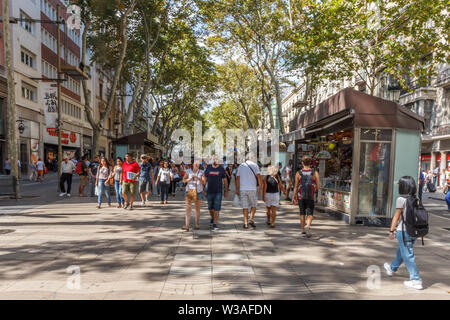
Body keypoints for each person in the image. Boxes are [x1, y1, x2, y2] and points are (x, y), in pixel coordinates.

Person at [384, 176, 423, 290]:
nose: (398, 186)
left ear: (403, 186)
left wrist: (391, 230)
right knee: (402, 252)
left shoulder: (401, 199)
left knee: (408, 256)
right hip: (414, 231)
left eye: (399, 184)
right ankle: (392, 269)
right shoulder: (416, 198)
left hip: (404, 231)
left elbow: (396, 217)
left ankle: (416, 280)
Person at [293, 155, 320, 238]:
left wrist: (294, 196)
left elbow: (296, 186)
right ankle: (307, 225)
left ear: (302, 163)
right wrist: (313, 190)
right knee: (310, 213)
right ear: (310, 163)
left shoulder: (298, 173)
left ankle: (303, 232)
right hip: (310, 196)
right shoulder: (314, 172)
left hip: (301, 196)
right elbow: (318, 185)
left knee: (302, 213)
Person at [236, 155, 262, 229]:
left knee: (245, 206)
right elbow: (259, 177)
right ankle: (251, 219)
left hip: (243, 189)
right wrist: (260, 187)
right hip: (252, 189)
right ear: (252, 158)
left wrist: (237, 189)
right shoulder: (255, 165)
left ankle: (246, 223)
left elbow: (237, 178)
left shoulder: (241, 166)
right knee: (254, 205)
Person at [204, 156, 228, 231]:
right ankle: (212, 217)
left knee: (217, 208)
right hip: (209, 191)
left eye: (216, 159)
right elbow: (205, 178)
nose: (214, 160)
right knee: (210, 208)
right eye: (213, 159)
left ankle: (215, 224)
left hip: (218, 192)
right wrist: (203, 189)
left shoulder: (221, 169)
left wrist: (226, 191)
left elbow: (225, 180)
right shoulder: (208, 168)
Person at [182, 163, 205, 231]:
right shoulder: (188, 171)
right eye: (195, 163)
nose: (197, 165)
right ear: (192, 164)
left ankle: (197, 224)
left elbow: (204, 182)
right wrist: (189, 179)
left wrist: (198, 178)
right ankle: (187, 225)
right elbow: (183, 180)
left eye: (198, 164)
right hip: (189, 191)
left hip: (199, 192)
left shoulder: (201, 172)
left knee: (197, 209)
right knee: (188, 209)